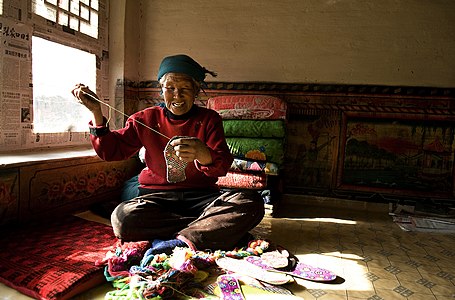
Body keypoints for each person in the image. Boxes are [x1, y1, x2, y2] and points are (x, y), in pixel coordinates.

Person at [71, 54, 265, 254]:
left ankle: (180, 241)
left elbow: (222, 166)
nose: (177, 96)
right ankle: (203, 231)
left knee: (251, 203)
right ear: (161, 90)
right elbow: (110, 151)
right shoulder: (145, 118)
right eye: (170, 89)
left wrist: (202, 153)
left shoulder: (209, 119)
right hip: (156, 199)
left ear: (196, 91)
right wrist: (96, 112)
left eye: (185, 89)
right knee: (122, 218)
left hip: (200, 199)